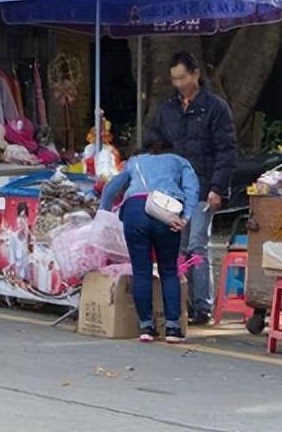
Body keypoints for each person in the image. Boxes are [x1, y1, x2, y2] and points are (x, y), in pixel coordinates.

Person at [145, 51, 237, 325]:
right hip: (174, 191)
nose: (179, 83)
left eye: (182, 77)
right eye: (174, 79)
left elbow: (226, 150)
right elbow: (154, 142)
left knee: (197, 245)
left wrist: (218, 188)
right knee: (176, 246)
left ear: (196, 74)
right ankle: (179, 302)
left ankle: (201, 306)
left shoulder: (215, 108)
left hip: (204, 187)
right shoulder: (168, 109)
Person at [100, 140, 200, 343]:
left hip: (135, 210)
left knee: (141, 270)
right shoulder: (180, 161)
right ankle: (172, 328)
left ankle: (146, 327)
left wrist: (103, 210)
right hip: (165, 213)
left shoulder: (135, 161)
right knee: (169, 270)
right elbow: (192, 189)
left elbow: (112, 186)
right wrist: (186, 217)